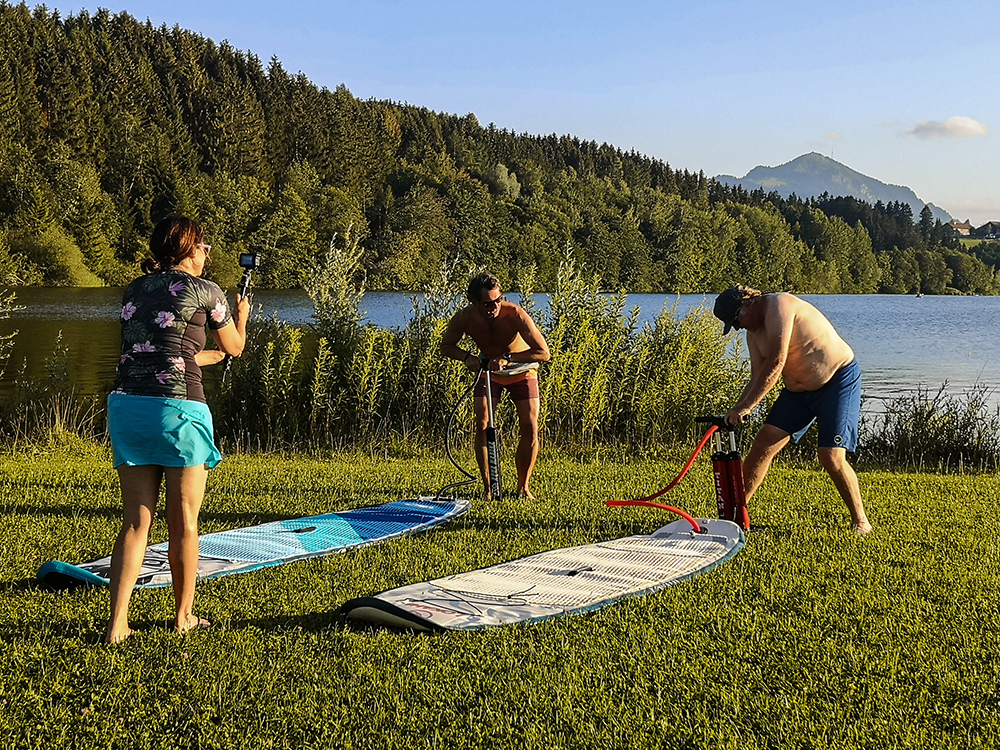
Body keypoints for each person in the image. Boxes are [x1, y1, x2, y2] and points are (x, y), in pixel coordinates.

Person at [103, 215, 249, 643]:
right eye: (203, 246)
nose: (208, 253)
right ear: (188, 248)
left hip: (128, 407)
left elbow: (155, 352)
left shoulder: (135, 289)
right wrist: (240, 318)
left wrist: (208, 357)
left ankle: (118, 625)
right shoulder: (207, 291)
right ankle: (183, 617)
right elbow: (235, 348)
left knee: (135, 523)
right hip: (179, 411)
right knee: (184, 522)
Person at [714, 285, 872, 535]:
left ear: (747, 304)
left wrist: (746, 406)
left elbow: (777, 361)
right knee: (763, 444)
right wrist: (737, 408)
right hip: (798, 394)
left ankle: (861, 522)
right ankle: (736, 519)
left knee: (830, 456)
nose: (737, 328)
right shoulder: (753, 334)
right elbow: (757, 377)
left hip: (837, 380)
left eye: (735, 320)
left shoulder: (780, 305)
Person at [441, 272, 550, 499]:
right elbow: (447, 346)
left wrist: (508, 357)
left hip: (522, 369)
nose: (494, 306)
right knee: (482, 424)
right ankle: (489, 488)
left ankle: (523, 487)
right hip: (489, 370)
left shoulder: (515, 314)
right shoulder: (464, 318)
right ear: (474, 303)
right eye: (488, 303)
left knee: (530, 427)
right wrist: (467, 357)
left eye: (498, 300)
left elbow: (543, 353)